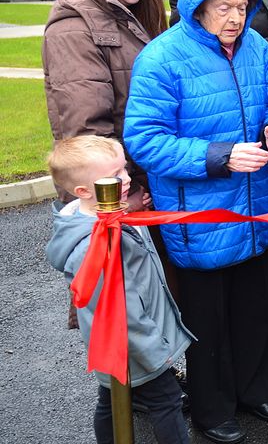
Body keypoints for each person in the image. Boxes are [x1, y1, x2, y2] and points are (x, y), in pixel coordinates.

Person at [124, 0, 268, 444]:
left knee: (254, 307)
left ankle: (257, 391)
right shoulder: (162, 58)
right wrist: (218, 157)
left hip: (255, 207)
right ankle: (212, 408)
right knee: (206, 320)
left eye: (242, 6)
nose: (235, 18)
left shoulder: (259, 49)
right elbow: (145, 141)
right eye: (224, 7)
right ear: (198, 3)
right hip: (197, 217)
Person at [42, 0, 169, 329]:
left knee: (146, 299)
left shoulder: (135, 13)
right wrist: (116, 196)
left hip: (142, 176)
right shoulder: (73, 28)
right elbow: (84, 128)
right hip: (114, 190)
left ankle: (159, 384)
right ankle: (129, 394)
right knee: (118, 311)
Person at [45, 136, 193, 444]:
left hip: (127, 341)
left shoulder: (110, 213)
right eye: (116, 176)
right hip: (134, 343)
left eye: (124, 170)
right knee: (166, 401)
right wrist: (156, 353)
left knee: (111, 398)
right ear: (84, 191)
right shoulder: (94, 242)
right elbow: (120, 311)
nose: (127, 179)